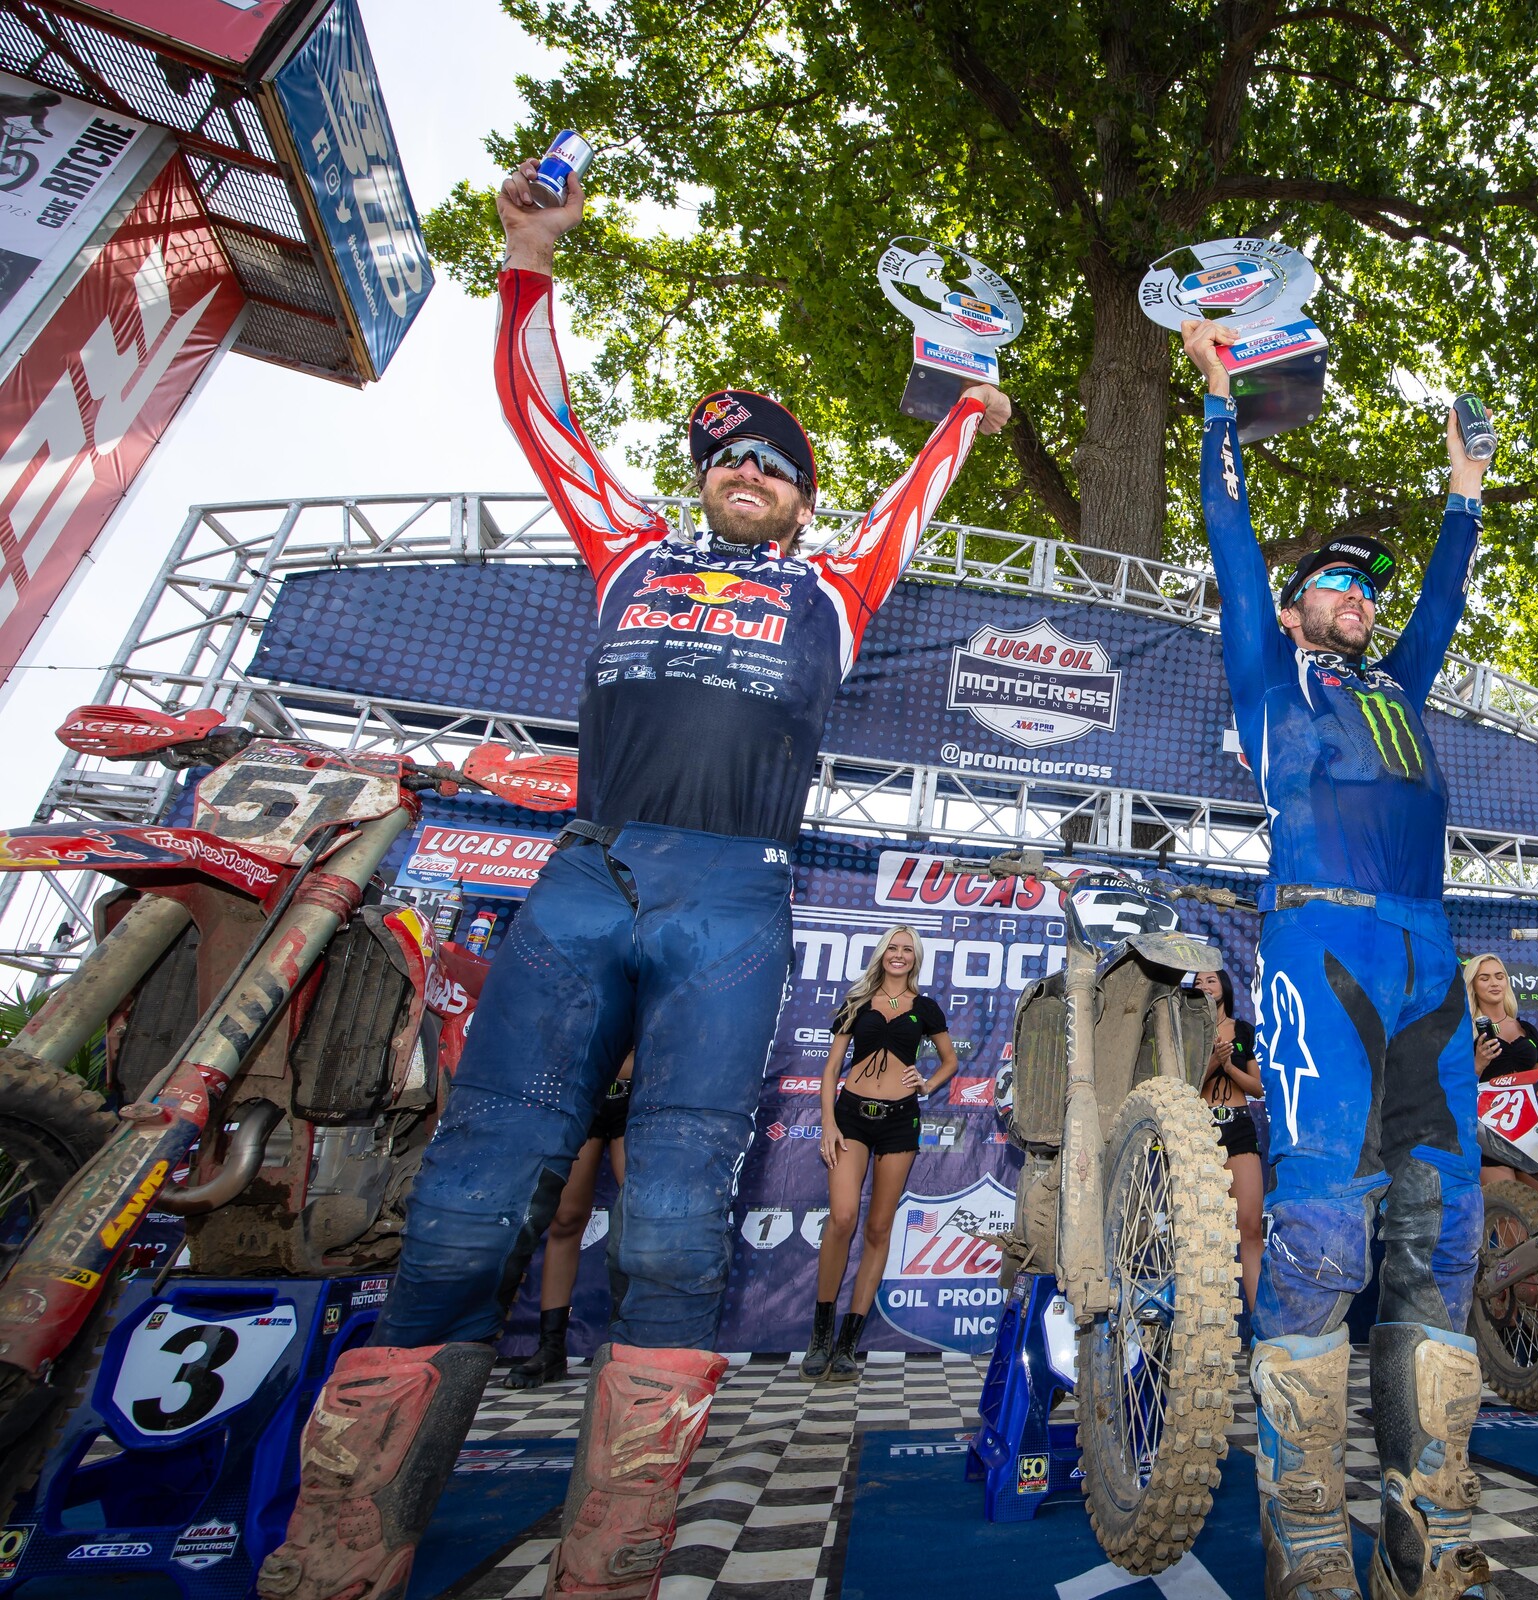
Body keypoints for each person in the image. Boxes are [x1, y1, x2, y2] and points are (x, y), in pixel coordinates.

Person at [260, 159, 1008, 1600]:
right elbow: (543, 418)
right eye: (728, 458)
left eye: (775, 465)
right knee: (472, 1195)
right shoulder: (627, 549)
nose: (748, 473)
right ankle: (356, 1531)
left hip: (732, 897)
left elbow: (921, 490)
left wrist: (970, 405)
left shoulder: (836, 586)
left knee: (674, 1208)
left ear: (804, 500)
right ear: (699, 479)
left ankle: (616, 1545)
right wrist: (529, 259)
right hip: (587, 879)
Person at [1183, 317, 1491, 1600]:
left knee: (1445, 1234)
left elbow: (1443, 602)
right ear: (1295, 605)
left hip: (1430, 951)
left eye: (1366, 589)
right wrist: (1218, 403)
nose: (1356, 598)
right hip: (1320, 937)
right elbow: (1232, 540)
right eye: (1333, 583)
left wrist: (1466, 494)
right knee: (1318, 1233)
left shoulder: (1400, 688)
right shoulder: (1270, 675)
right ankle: (1304, 1530)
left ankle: (1430, 1525)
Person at [808, 927, 959, 1378]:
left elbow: (950, 1061)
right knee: (842, 1218)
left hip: (899, 1121)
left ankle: (847, 1344)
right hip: (851, 1117)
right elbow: (831, 1069)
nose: (899, 955)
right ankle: (819, 1338)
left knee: (878, 1228)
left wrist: (926, 1084)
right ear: (882, 954)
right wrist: (829, 1123)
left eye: (907, 949)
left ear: (915, 958)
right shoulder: (856, 1002)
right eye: (892, 947)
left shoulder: (926, 1008)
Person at [503, 1056, 634, 1389]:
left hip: (639, 1096)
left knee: (639, 1215)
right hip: (581, 1091)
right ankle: (551, 1347)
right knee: (565, 1219)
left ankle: (635, 1342)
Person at [1193, 968, 1266, 1321]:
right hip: (1199, 1128)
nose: (1204, 985)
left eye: (1210, 980)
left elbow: (1257, 1088)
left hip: (1238, 1126)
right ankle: (1207, 1326)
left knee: (1250, 1227)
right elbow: (1187, 1085)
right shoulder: (1188, 1027)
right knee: (1203, 1233)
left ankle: (1263, 1326)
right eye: (1197, 981)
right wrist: (1212, 1060)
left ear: (1223, 985)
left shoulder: (1242, 1031)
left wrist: (1229, 1066)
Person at [1465, 954, 1538, 1082]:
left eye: (1499, 977)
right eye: (1484, 979)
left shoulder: (1527, 1029)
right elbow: (1454, 1085)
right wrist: (1479, 1064)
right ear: (1473, 986)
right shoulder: (1464, 1032)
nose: (1494, 983)